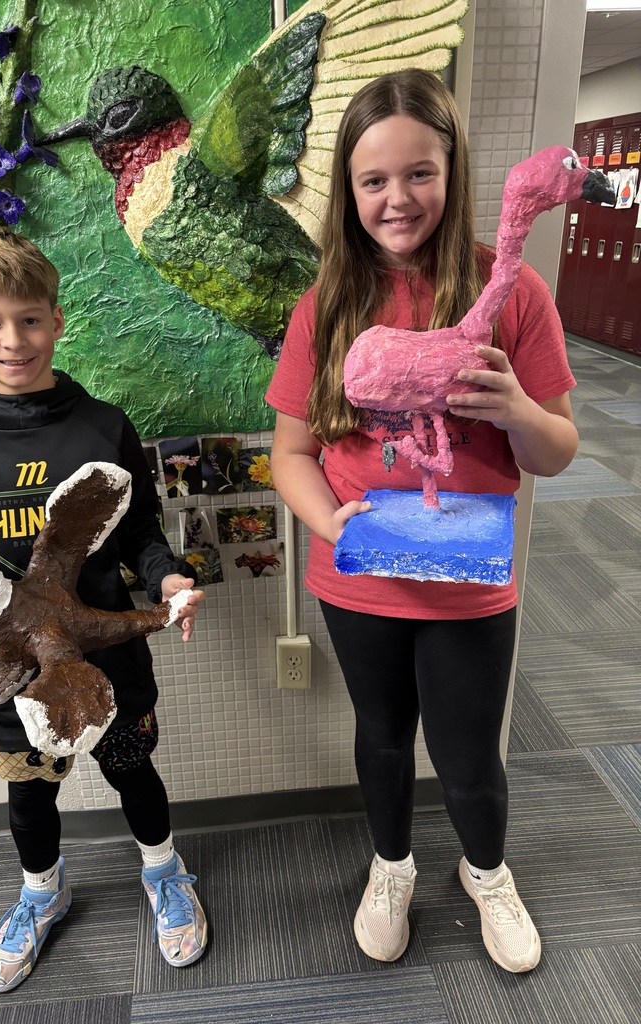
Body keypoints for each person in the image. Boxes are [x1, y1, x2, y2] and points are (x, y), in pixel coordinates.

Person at [266, 69, 579, 974]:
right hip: (359, 576)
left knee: (471, 748)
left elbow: (556, 451)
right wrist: (339, 525)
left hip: (469, 582)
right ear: (348, 191)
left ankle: (487, 872)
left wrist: (517, 408)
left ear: (454, 171)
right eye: (374, 180)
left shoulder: (511, 295)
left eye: (419, 173)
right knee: (382, 735)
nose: (398, 198)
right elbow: (291, 454)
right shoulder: (327, 306)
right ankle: (392, 865)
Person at [0, 226, 208, 992]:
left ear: (58, 319)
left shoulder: (102, 426)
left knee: (134, 771)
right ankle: (43, 891)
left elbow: (140, 531)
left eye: (30, 319)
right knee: (29, 793)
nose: (14, 340)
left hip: (106, 665)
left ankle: (165, 870)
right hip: (7, 674)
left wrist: (167, 578)